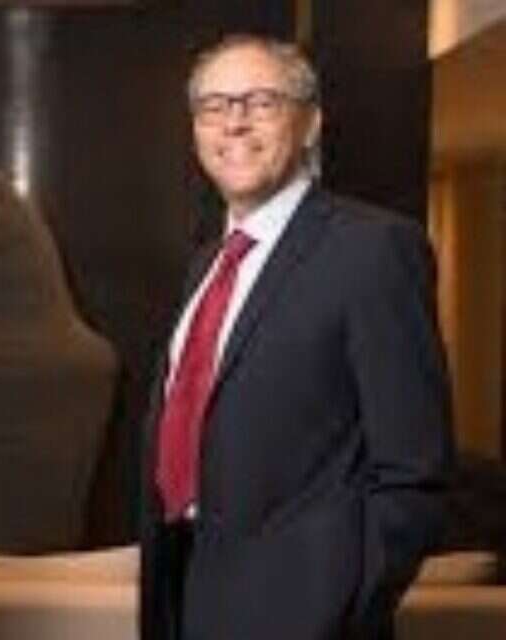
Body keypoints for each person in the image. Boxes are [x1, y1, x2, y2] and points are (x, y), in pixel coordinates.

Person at [139, 34, 454, 640]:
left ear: (309, 123)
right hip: (188, 595)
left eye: (261, 102)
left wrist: (340, 607)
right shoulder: (206, 265)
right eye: (213, 105)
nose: (234, 122)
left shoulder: (372, 250)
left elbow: (414, 468)